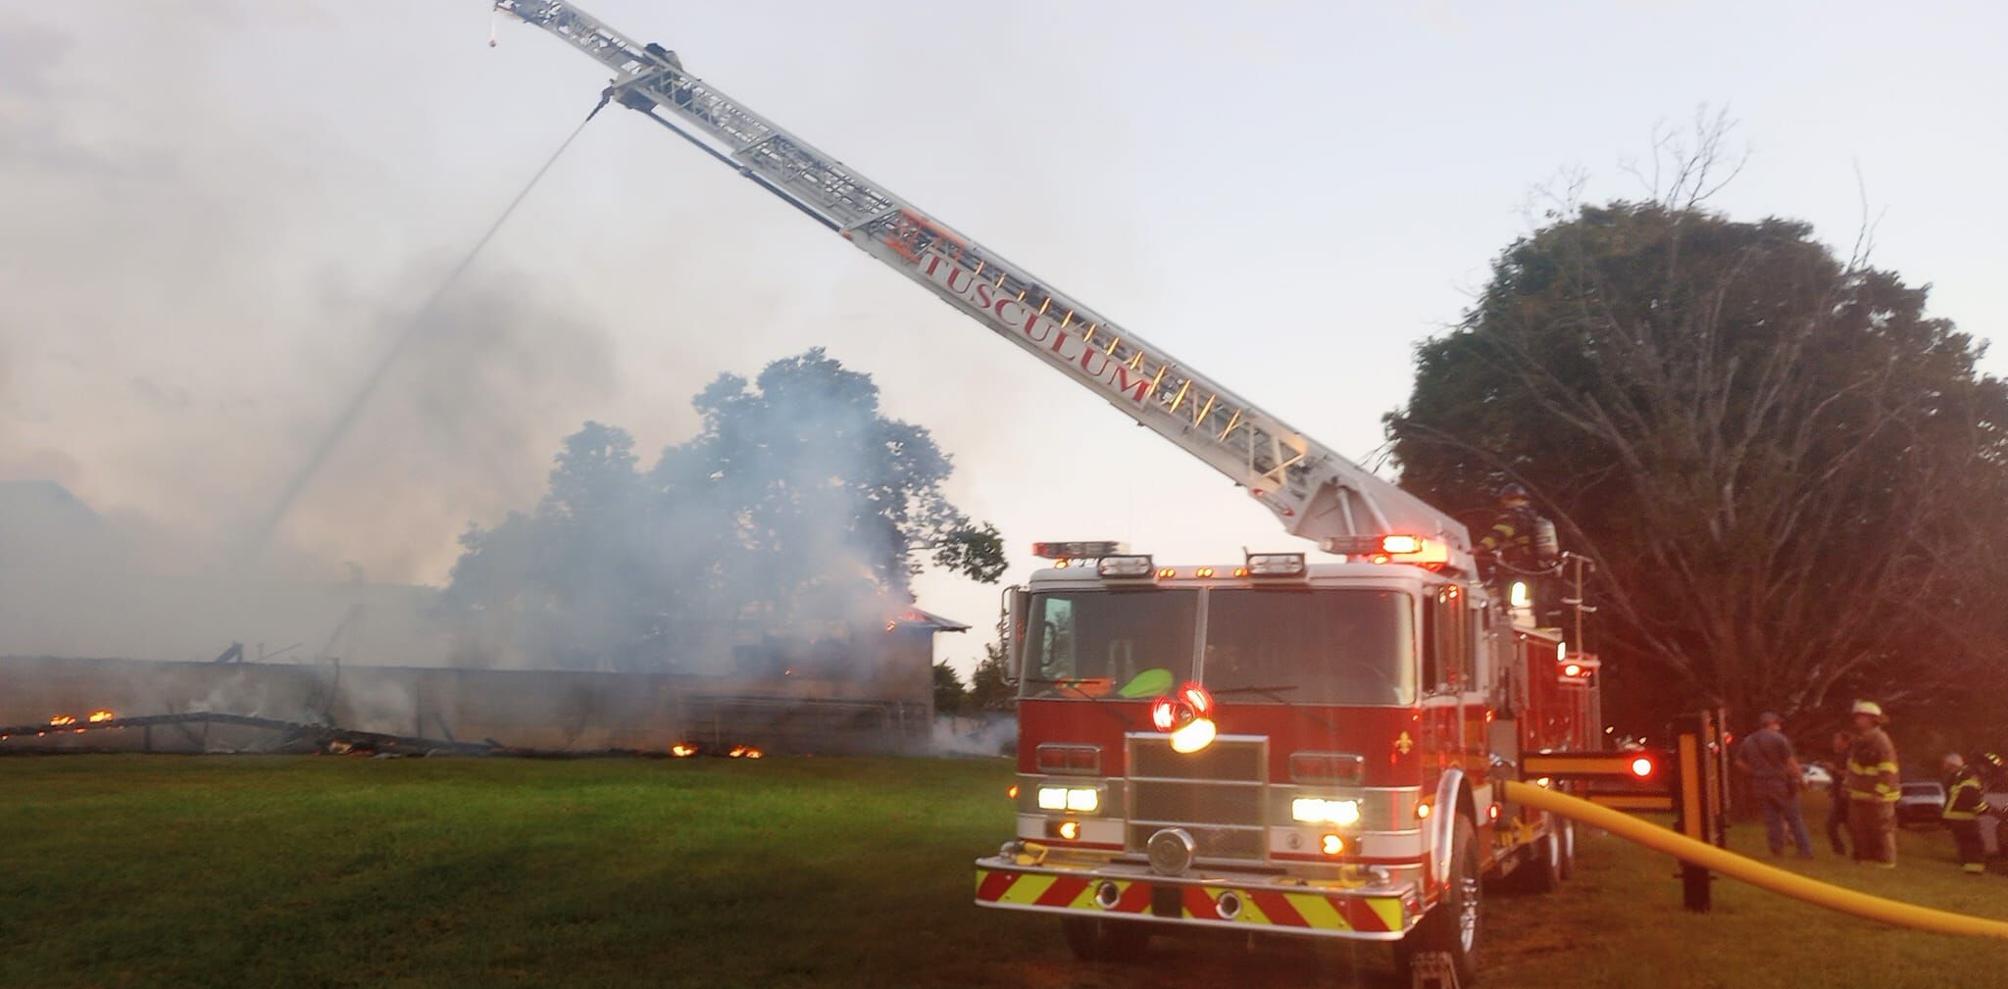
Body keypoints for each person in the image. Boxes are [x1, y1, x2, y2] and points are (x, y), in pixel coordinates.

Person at [1735, 711, 1814, 858]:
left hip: (1760, 784)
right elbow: (1791, 762)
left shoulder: (1749, 740)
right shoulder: (1779, 739)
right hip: (1780, 783)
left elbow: (1739, 762)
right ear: (1771, 724)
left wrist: (1754, 772)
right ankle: (1805, 850)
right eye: (1777, 724)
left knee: (1772, 819)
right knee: (1794, 817)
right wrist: (1802, 780)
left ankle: (1776, 850)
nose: (1779, 727)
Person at [1843, 700, 1901, 868]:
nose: (1857, 720)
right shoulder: (1860, 740)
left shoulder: (1881, 741)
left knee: (1881, 828)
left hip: (1879, 795)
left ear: (1872, 719)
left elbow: (1888, 769)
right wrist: (1847, 784)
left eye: (1861, 716)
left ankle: (1886, 861)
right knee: (1858, 827)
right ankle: (1865, 858)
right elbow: (1853, 765)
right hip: (1859, 792)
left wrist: (1880, 791)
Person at [1940, 753, 1995, 875]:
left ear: (1953, 765)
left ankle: (1968, 868)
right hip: (1965, 817)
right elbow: (1973, 798)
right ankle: (1974, 871)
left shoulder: (1958, 778)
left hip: (1956, 817)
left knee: (1965, 844)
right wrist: (1988, 810)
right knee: (1974, 844)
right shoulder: (1968, 777)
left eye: (1947, 765)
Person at [1822, 731, 1852, 856]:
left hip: (1844, 795)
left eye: (1837, 739)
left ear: (1845, 741)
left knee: (1831, 825)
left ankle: (1840, 850)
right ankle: (1857, 850)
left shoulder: (1849, 756)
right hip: (1838, 793)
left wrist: (1834, 769)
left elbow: (1849, 774)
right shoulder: (1839, 755)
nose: (1834, 741)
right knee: (1849, 826)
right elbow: (1838, 775)